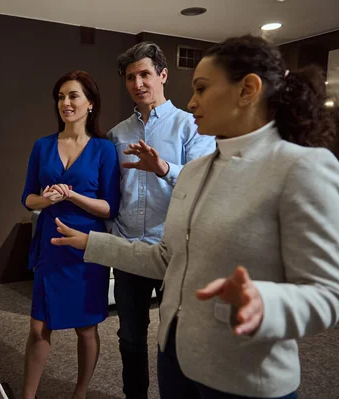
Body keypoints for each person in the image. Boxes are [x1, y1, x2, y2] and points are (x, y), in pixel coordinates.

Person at [51, 35, 339, 399]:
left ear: (247, 90)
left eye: (202, 88)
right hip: (176, 360)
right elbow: (167, 257)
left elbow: (328, 296)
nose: (191, 102)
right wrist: (92, 242)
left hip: (243, 375)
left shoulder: (304, 168)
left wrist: (265, 303)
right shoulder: (196, 172)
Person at [108, 41, 215, 398]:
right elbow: (113, 191)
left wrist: (164, 168)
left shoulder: (191, 126)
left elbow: (205, 182)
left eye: (145, 74)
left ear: (163, 75)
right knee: (130, 338)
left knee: (177, 338)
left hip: (175, 252)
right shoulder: (117, 134)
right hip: (129, 250)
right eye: (130, 77)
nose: (138, 83)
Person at [20, 70, 120, 399]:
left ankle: (80, 394)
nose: (66, 103)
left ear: (90, 103)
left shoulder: (105, 150)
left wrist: (73, 195)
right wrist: (46, 199)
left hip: (88, 248)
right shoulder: (42, 146)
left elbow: (109, 207)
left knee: (86, 328)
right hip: (51, 245)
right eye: (61, 97)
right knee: (38, 328)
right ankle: (28, 396)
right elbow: (27, 199)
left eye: (73, 96)